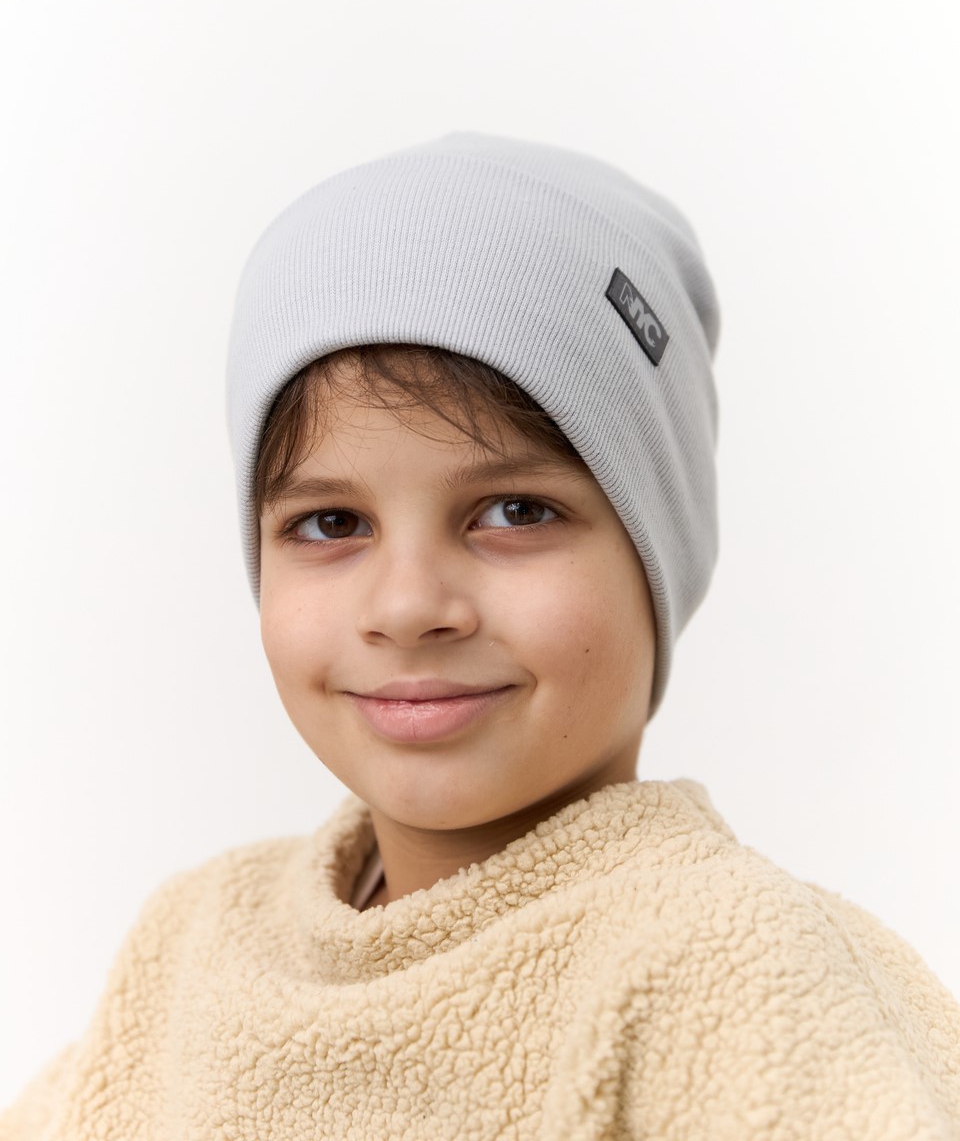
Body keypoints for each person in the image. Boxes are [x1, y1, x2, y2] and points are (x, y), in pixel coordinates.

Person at [2, 131, 958, 1140]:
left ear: (657, 552)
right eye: (332, 523)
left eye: (513, 512)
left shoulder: (737, 971)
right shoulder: (197, 944)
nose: (408, 605)